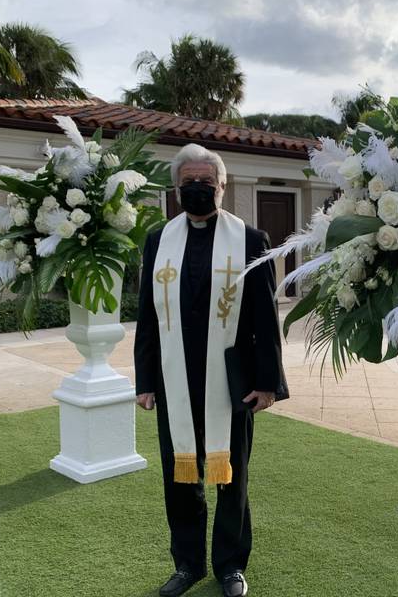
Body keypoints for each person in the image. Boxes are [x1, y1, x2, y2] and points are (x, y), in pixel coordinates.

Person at [134, 143, 288, 597]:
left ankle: (230, 566)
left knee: (231, 475)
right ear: (177, 189)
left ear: (222, 186)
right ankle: (187, 565)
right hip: (174, 376)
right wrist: (145, 381)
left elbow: (265, 317)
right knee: (180, 476)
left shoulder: (249, 240)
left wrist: (268, 383)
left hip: (230, 379)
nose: (198, 189)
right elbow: (147, 315)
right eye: (189, 184)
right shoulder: (158, 240)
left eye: (207, 182)